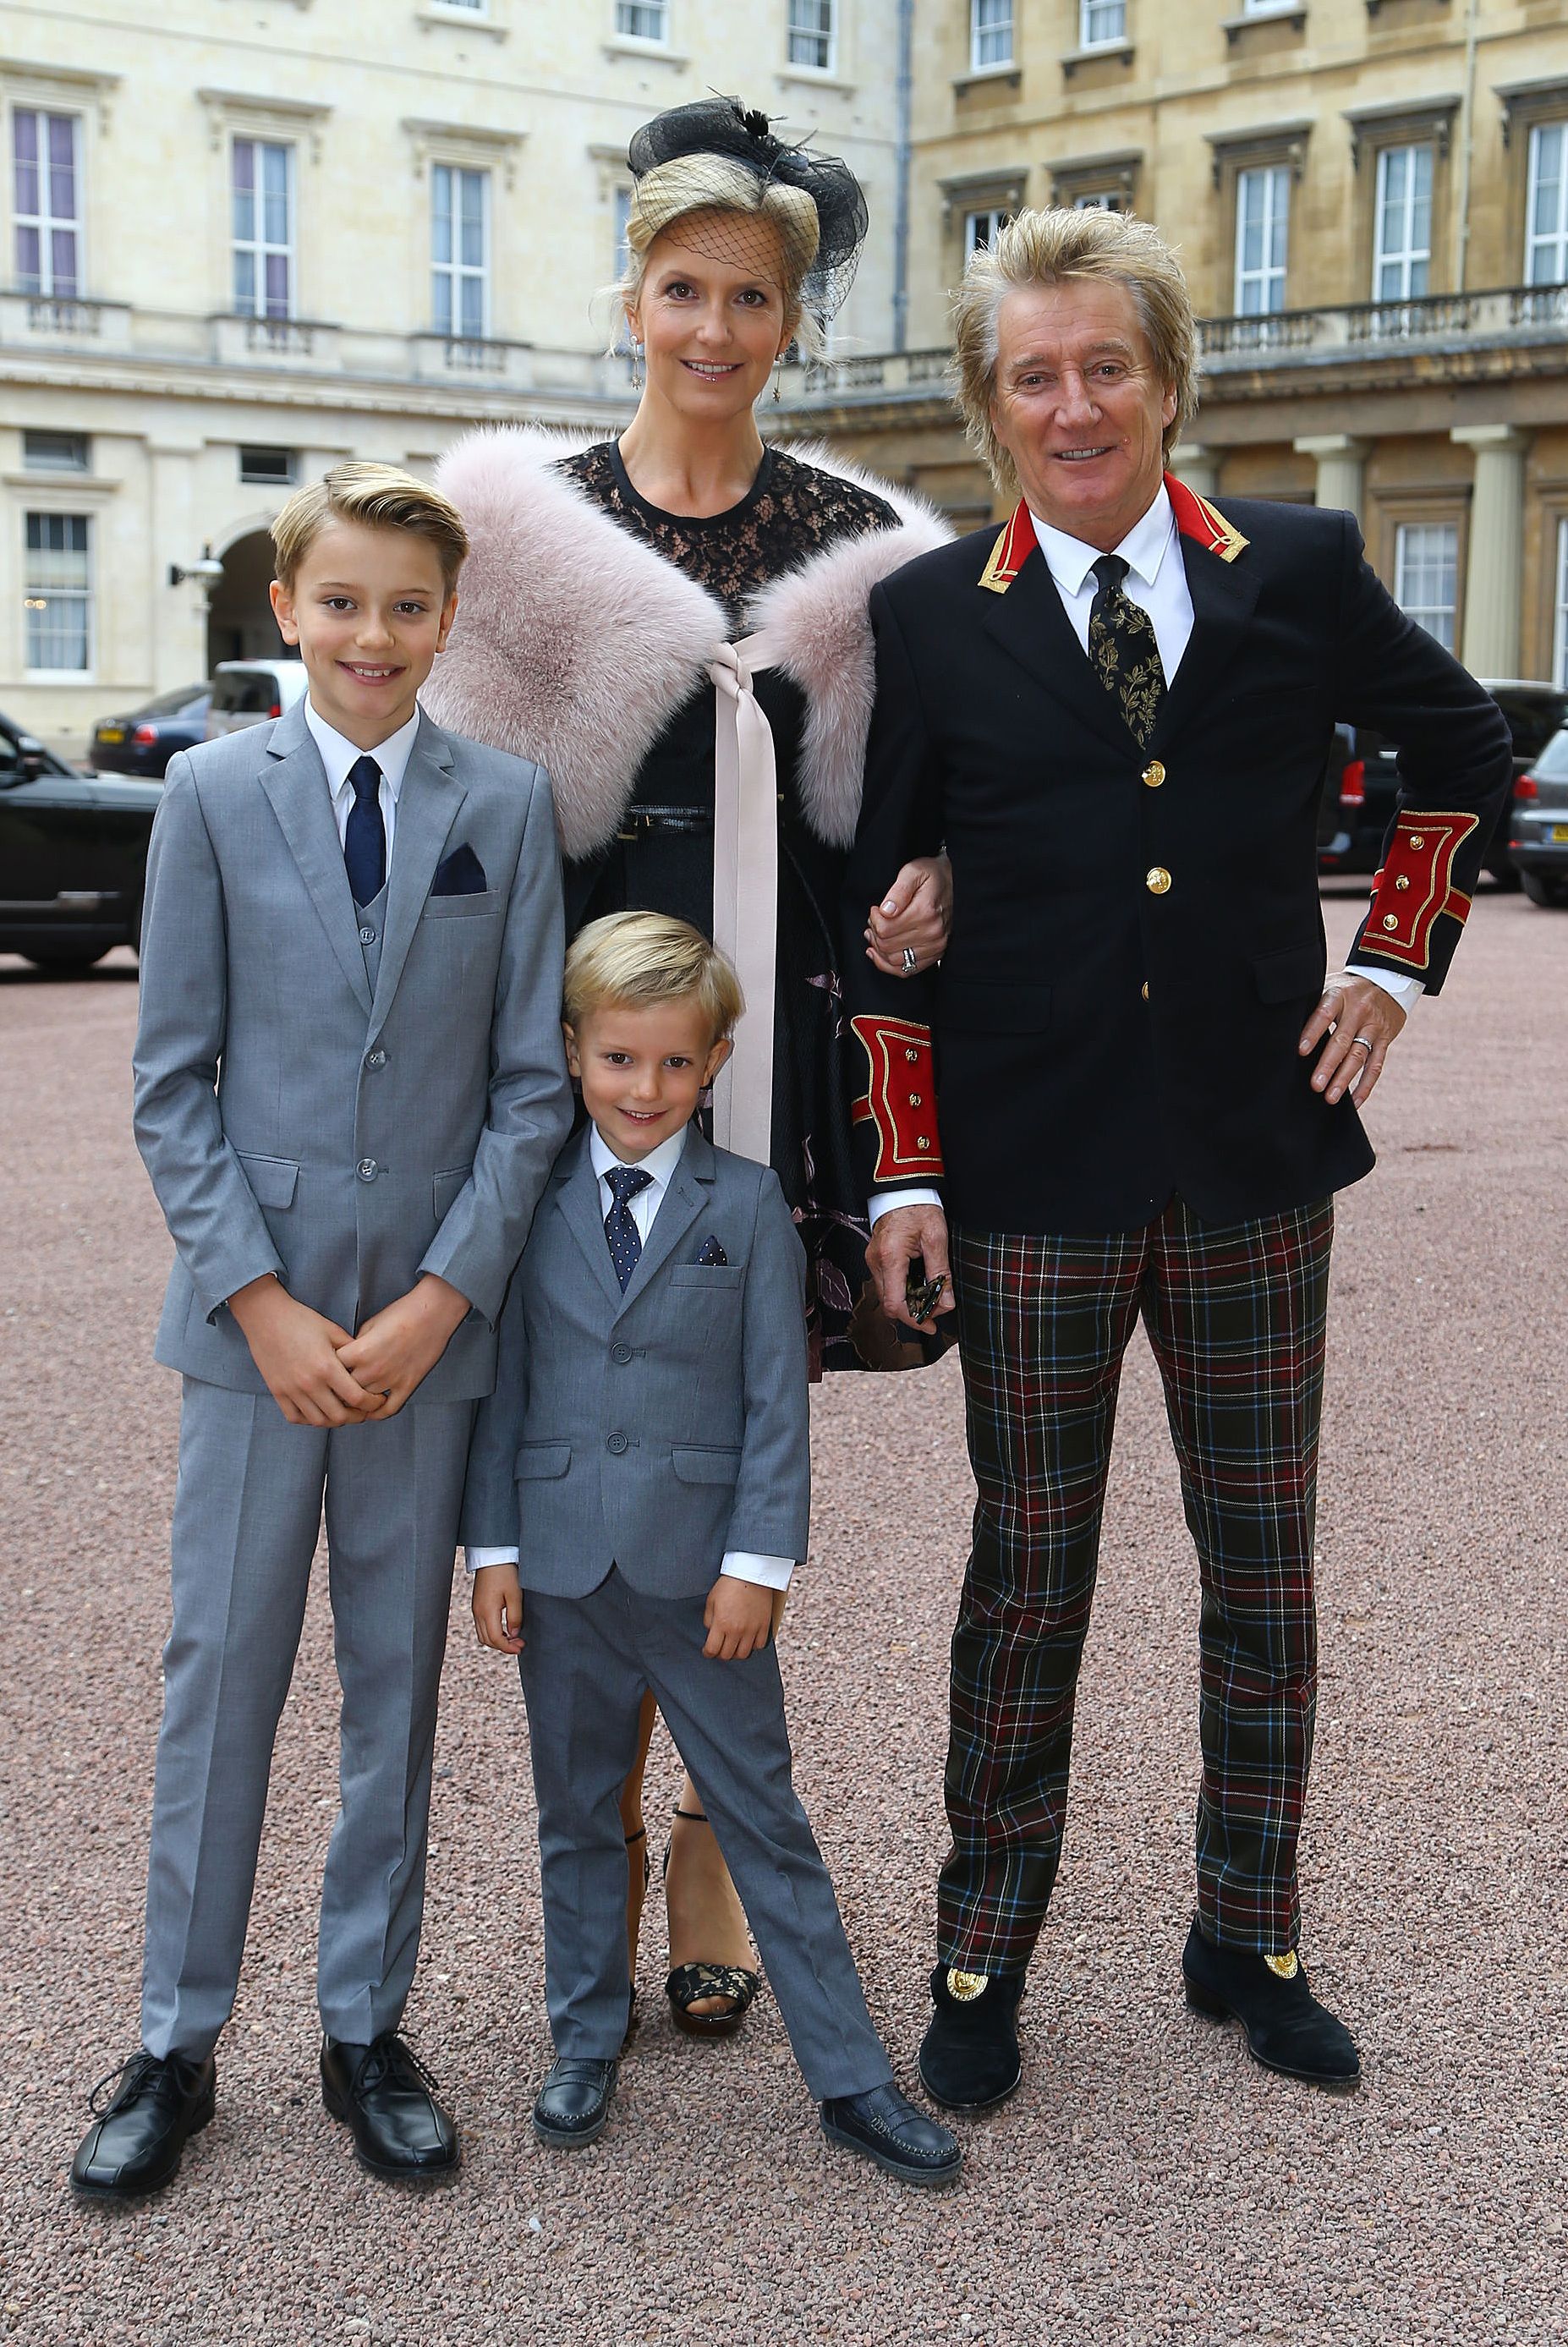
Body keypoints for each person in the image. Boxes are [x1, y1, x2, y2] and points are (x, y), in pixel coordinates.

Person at [841, 206, 1512, 2113]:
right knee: (1028, 1572)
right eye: (1035, 373)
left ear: (1166, 378)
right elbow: (877, 923)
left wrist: (1391, 963)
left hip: (1251, 1155)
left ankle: (1251, 1927)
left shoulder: (1294, 565)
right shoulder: (929, 611)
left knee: (1262, 1569)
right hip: (1028, 1167)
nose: (1074, 403)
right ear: (993, 402)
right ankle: (984, 1949)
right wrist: (902, 1175)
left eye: (1105, 365)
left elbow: (1458, 757)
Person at [425, 96, 955, 2037]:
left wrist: (932, 879)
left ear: (794, 320)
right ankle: (626, 1818)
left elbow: (912, 818)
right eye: (682, 290)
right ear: (631, 299)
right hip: (587, 1064)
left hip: (787, 1066)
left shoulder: (876, 559)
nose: (715, 326)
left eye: (752, 297)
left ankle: (720, 1833)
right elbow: (474, 850)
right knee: (594, 1425)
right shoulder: (518, 536)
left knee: (737, 1424)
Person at [70, 463, 573, 2199]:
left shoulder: (506, 808)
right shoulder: (210, 796)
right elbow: (173, 1084)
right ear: (288, 612)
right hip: (253, 1340)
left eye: (409, 606)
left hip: (430, 1338)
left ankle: (366, 2021)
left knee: (396, 1678)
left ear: (451, 621)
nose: (375, 634)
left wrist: (443, 1297)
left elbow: (531, 1091)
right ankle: (173, 2034)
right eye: (343, 603)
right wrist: (260, 1301)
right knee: (219, 1677)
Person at [464, 911, 962, 2187]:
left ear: (719, 1060)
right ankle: (584, 2037)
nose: (646, 1090)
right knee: (577, 1815)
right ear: (574, 1052)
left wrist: (760, 1564)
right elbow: (501, 1385)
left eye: (676, 1065)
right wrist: (494, 1550)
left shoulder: (744, 1206)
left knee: (764, 1819)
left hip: (704, 1584)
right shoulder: (517, 1197)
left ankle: (850, 2077)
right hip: (562, 1568)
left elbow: (769, 1407)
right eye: (620, 1060)